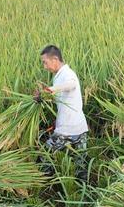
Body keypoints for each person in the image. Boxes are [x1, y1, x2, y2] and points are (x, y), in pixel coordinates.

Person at [37, 45, 89, 176]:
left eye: (45, 62)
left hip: (68, 130)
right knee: (81, 163)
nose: (45, 67)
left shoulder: (67, 74)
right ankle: (83, 188)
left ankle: (42, 183)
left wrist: (52, 89)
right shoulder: (59, 75)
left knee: (45, 156)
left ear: (55, 59)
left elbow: (71, 84)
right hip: (80, 127)